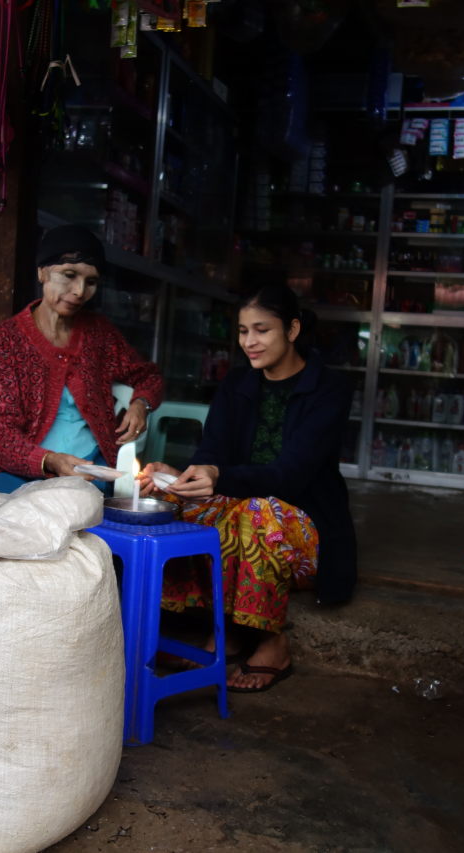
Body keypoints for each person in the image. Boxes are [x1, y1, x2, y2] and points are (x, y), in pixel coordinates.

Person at [142, 283, 358, 692]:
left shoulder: (330, 389)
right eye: (243, 331)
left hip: (302, 529)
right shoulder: (237, 383)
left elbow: (291, 475)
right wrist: (179, 476)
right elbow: (212, 452)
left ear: (292, 330)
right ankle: (223, 627)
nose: (250, 342)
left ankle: (271, 640)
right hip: (241, 510)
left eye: (262, 330)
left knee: (258, 511)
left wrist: (219, 478)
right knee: (165, 501)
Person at [0, 224, 164, 491]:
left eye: (91, 282)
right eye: (69, 275)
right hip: (19, 468)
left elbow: (149, 376)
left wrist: (141, 404)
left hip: (89, 467)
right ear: (42, 272)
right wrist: (49, 461)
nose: (80, 291)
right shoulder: (6, 340)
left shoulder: (100, 334)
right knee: (7, 510)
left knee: (82, 507)